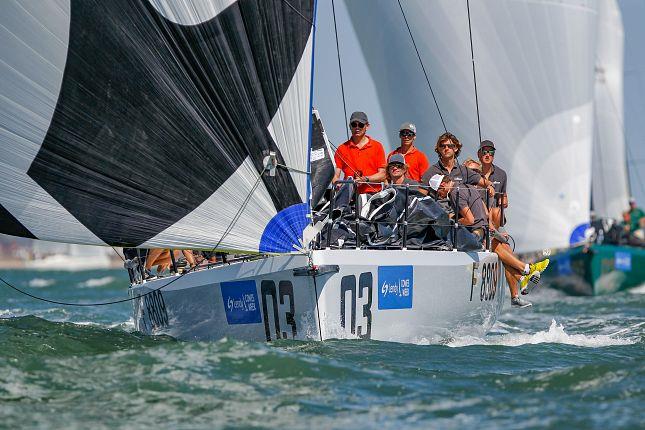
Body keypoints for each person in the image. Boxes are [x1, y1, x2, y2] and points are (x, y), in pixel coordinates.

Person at [431, 174, 549, 308]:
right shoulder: (469, 187)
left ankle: (525, 270)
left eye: (438, 191)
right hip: (485, 228)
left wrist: (452, 221)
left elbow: (469, 220)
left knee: (499, 247)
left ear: (442, 185)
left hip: (478, 232)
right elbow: (486, 214)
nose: (439, 195)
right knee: (501, 248)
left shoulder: (454, 193)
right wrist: (494, 231)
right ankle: (522, 277)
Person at [420, 132, 495, 195]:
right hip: (438, 211)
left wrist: (490, 186)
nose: (446, 148)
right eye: (442, 146)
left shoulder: (464, 171)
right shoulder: (431, 172)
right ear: (439, 149)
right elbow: (421, 198)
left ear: (456, 148)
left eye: (450, 146)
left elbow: (486, 183)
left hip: (459, 210)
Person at [332, 111, 386, 194]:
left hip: (372, 196)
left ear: (367, 126)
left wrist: (365, 179)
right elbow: (335, 174)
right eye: (354, 124)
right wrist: (337, 184)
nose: (357, 128)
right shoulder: (342, 148)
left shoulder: (377, 146)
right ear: (350, 126)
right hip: (349, 195)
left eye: (360, 125)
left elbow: (383, 175)